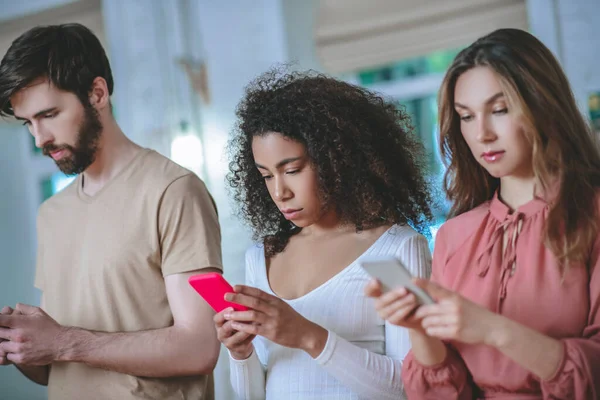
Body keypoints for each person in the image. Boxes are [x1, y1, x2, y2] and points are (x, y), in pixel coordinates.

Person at [366, 28, 600, 399]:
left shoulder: (593, 216)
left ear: (543, 104)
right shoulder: (454, 236)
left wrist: (492, 329)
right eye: (466, 116)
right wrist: (419, 328)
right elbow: (446, 391)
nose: (482, 134)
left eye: (500, 110)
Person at [0, 23, 222, 399]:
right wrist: (19, 343)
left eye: (49, 114)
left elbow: (199, 347)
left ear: (97, 93)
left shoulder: (175, 192)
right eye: (28, 124)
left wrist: (65, 343)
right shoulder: (52, 214)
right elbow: (56, 369)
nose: (40, 139)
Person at [215, 69, 435, 400]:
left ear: (336, 159)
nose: (279, 192)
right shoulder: (261, 258)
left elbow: (417, 385)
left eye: (292, 170)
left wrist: (308, 336)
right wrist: (240, 354)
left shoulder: (398, 248)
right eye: (265, 176)